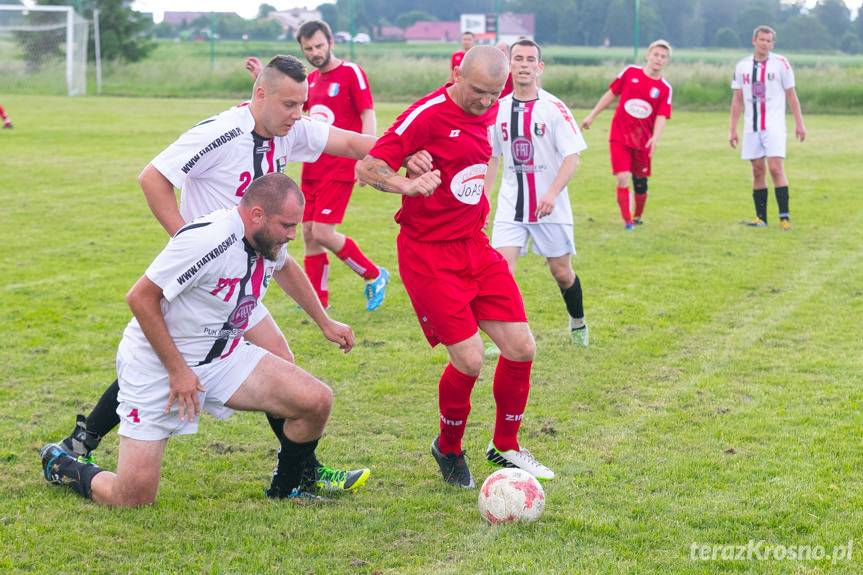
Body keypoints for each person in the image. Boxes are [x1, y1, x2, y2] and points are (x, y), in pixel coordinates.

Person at [56, 55, 376, 497]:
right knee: (173, 349)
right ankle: (81, 445)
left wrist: (407, 154)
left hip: (246, 272)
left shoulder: (290, 131)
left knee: (275, 359)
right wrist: (189, 243)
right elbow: (152, 177)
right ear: (260, 94)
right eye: (289, 104)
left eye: (303, 104)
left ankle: (301, 473)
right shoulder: (221, 132)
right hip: (207, 271)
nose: (298, 114)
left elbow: (355, 144)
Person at [41, 174, 364, 505]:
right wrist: (178, 371)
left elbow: (286, 267)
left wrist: (324, 321)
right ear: (256, 214)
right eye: (286, 225)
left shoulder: (268, 238)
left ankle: (286, 490)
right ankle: (62, 463)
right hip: (157, 366)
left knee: (315, 400)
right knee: (133, 498)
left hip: (223, 357)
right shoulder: (208, 239)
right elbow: (140, 298)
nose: (293, 235)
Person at [357, 45, 555, 489]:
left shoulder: (490, 105)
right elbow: (366, 168)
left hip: (474, 246)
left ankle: (505, 445)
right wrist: (407, 182)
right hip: (428, 254)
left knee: (522, 348)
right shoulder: (425, 115)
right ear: (457, 75)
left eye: (494, 93)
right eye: (479, 92)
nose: (487, 102)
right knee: (468, 360)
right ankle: (447, 448)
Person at [248, 22, 389, 310]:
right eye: (309, 48)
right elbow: (292, 109)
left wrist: (366, 157)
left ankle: (374, 275)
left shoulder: (351, 72)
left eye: (319, 46)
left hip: (339, 168)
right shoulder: (310, 80)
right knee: (309, 234)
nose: (315, 52)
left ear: (331, 42)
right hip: (313, 168)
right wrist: (263, 78)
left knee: (324, 232)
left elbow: (367, 112)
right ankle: (318, 301)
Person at [485, 39, 590, 347]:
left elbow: (573, 157)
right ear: (509, 66)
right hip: (511, 204)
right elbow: (492, 156)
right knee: (502, 271)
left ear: (539, 67)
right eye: (518, 58)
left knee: (561, 272)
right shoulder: (499, 109)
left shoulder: (554, 108)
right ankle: (505, 338)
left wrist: (552, 194)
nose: (525, 64)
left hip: (550, 206)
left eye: (531, 59)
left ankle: (578, 323)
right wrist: (486, 198)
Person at [581, 39, 673, 230]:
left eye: (663, 57)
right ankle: (628, 221)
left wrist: (655, 138)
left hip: (643, 140)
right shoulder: (630, 72)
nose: (658, 59)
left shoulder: (665, 89)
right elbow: (611, 94)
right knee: (622, 177)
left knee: (640, 182)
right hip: (620, 136)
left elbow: (662, 116)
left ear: (666, 61)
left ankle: (638, 215)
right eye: (655, 54)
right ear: (648, 56)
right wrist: (592, 115)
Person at [729, 25, 805, 231]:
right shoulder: (742, 66)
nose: (765, 44)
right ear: (754, 40)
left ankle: (784, 217)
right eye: (761, 39)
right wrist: (732, 129)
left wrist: (799, 123)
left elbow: (791, 95)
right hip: (751, 126)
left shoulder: (781, 64)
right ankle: (760, 218)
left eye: (768, 40)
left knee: (775, 168)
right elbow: (737, 100)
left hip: (774, 125)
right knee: (757, 170)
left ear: (772, 43)